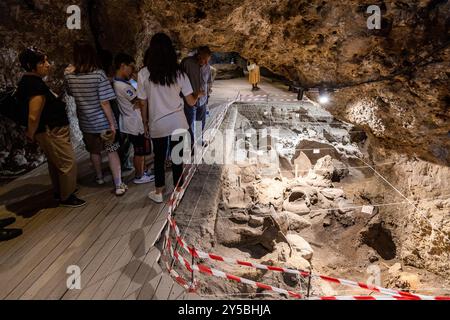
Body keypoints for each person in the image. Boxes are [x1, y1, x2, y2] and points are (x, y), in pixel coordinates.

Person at [137, 33, 204, 204]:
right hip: (178, 121)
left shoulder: (144, 74)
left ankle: (159, 192)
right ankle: (178, 189)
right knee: (177, 158)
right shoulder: (179, 73)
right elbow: (190, 101)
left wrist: (144, 123)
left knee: (159, 158)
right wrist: (198, 94)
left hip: (157, 123)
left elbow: (142, 103)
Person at [16, 47, 86, 207]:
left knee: (56, 162)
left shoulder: (31, 82)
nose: (48, 64)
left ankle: (60, 192)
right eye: (42, 62)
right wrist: (31, 133)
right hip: (51, 130)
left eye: (47, 60)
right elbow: (34, 115)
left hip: (52, 129)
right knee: (67, 162)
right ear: (30, 65)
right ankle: (67, 196)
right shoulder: (33, 85)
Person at [65, 40, 128, 197]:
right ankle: (119, 184)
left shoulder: (69, 75)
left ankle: (99, 178)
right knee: (112, 150)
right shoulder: (98, 74)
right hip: (103, 121)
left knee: (94, 151)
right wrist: (112, 124)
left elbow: (70, 93)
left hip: (85, 120)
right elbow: (105, 102)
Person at [113, 53, 155, 185]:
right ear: (122, 66)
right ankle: (139, 175)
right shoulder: (123, 86)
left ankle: (142, 171)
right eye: (130, 67)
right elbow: (140, 101)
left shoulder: (122, 82)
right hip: (135, 123)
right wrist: (139, 80)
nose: (132, 71)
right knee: (139, 151)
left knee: (140, 149)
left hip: (131, 121)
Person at [181, 46, 212, 146]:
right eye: (204, 59)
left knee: (200, 123)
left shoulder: (207, 66)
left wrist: (208, 91)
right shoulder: (187, 63)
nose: (206, 62)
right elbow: (179, 79)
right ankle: (191, 144)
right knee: (188, 123)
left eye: (208, 60)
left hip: (202, 100)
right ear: (198, 55)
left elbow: (208, 81)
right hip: (190, 99)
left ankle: (199, 141)